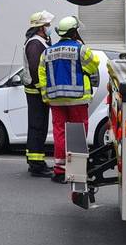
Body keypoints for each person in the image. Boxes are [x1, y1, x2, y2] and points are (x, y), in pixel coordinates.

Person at [37, 15, 101, 183]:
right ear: (74, 32)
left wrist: (46, 97)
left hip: (56, 100)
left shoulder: (47, 52)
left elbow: (42, 76)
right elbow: (93, 65)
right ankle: (76, 171)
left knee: (59, 133)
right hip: (77, 99)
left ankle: (59, 170)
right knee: (78, 134)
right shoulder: (80, 49)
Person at [22, 10, 55, 178]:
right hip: (36, 91)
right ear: (41, 27)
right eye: (48, 25)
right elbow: (35, 69)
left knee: (38, 126)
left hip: (37, 90)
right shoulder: (35, 44)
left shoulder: (41, 41)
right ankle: (37, 165)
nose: (50, 27)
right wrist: (43, 91)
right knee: (38, 126)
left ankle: (34, 160)